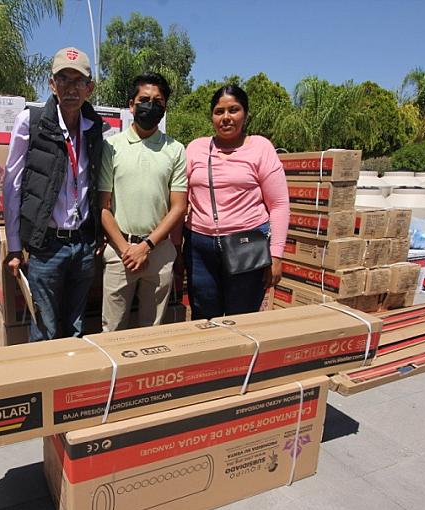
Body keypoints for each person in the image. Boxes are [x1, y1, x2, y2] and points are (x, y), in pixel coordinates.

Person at [2, 47, 104, 341]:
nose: (70, 88)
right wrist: (14, 246)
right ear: (51, 84)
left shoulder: (95, 128)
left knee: (76, 327)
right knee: (44, 328)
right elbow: (12, 185)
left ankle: (71, 385)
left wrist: (97, 234)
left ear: (89, 88)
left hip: (82, 245)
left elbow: (97, 184)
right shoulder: (30, 122)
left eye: (78, 81)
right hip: (46, 246)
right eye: (63, 79)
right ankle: (46, 384)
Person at [183, 84, 289, 319]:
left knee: (241, 319)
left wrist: (277, 255)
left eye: (234, 110)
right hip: (200, 247)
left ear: (246, 113)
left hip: (246, 243)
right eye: (219, 111)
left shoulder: (260, 147)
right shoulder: (196, 148)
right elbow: (181, 198)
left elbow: (279, 205)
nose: (226, 118)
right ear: (211, 116)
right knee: (204, 317)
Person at [99, 72, 187, 331]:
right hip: (119, 251)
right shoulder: (111, 147)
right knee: (111, 330)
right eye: (144, 99)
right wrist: (127, 248)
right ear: (131, 105)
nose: (150, 105)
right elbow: (103, 207)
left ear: (165, 107)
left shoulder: (175, 149)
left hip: (158, 252)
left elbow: (179, 206)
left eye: (157, 101)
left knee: (152, 331)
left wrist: (146, 246)